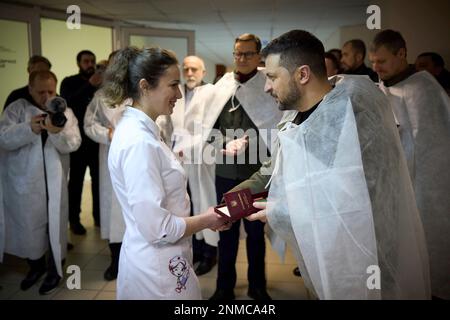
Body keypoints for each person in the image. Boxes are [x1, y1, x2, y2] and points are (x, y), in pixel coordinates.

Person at [238, 29, 430, 299]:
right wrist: (234, 198)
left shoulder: (355, 112)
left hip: (364, 255)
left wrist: (283, 210)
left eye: (271, 77)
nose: (266, 87)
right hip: (319, 248)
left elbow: (358, 198)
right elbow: (273, 167)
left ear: (302, 75)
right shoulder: (297, 115)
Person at [101, 46, 230, 300]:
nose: (179, 94)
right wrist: (207, 219)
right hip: (157, 270)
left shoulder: (144, 130)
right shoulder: (139, 142)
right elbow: (158, 229)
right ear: (145, 86)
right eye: (173, 85)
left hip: (160, 259)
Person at [197, 33, 282, 301]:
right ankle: (224, 288)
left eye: (247, 54)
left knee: (256, 233)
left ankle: (258, 286)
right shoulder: (222, 85)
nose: (241, 58)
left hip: (256, 174)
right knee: (227, 232)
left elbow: (277, 128)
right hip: (225, 173)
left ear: (259, 56)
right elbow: (207, 130)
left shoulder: (267, 86)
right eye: (237, 53)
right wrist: (226, 142)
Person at [369, 29, 450, 300]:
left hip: (423, 191)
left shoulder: (423, 89)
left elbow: (435, 152)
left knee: (426, 257)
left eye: (381, 61)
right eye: (373, 61)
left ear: (401, 54)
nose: (376, 68)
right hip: (389, 190)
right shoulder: (380, 88)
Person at [0, 70, 81, 294]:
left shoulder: (66, 113)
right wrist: (29, 128)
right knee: (30, 226)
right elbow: (3, 138)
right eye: (40, 91)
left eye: (50, 91)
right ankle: (34, 267)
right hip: (26, 182)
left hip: (54, 183)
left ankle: (55, 270)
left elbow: (74, 143)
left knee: (55, 227)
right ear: (30, 88)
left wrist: (55, 132)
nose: (46, 97)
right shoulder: (17, 109)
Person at [160, 55, 219, 276]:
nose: (190, 73)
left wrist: (188, 147)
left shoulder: (211, 92)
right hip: (177, 158)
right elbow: (166, 123)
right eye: (186, 69)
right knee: (187, 205)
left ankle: (210, 253)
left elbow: (210, 127)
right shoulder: (176, 92)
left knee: (205, 203)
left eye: (194, 69)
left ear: (203, 72)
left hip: (201, 158)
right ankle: (195, 249)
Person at [84, 52, 126, 281]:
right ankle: (115, 260)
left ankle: (137, 260)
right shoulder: (100, 95)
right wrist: (107, 133)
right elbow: (89, 124)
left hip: (136, 158)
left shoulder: (142, 90)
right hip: (110, 156)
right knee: (113, 211)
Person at [61, 50, 102, 235]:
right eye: (86, 61)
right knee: (76, 183)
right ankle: (74, 221)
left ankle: (100, 218)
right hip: (77, 143)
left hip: (97, 142)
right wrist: (88, 85)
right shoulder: (69, 82)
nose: (90, 64)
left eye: (92, 61)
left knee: (98, 182)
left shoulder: (101, 86)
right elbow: (67, 102)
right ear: (79, 63)